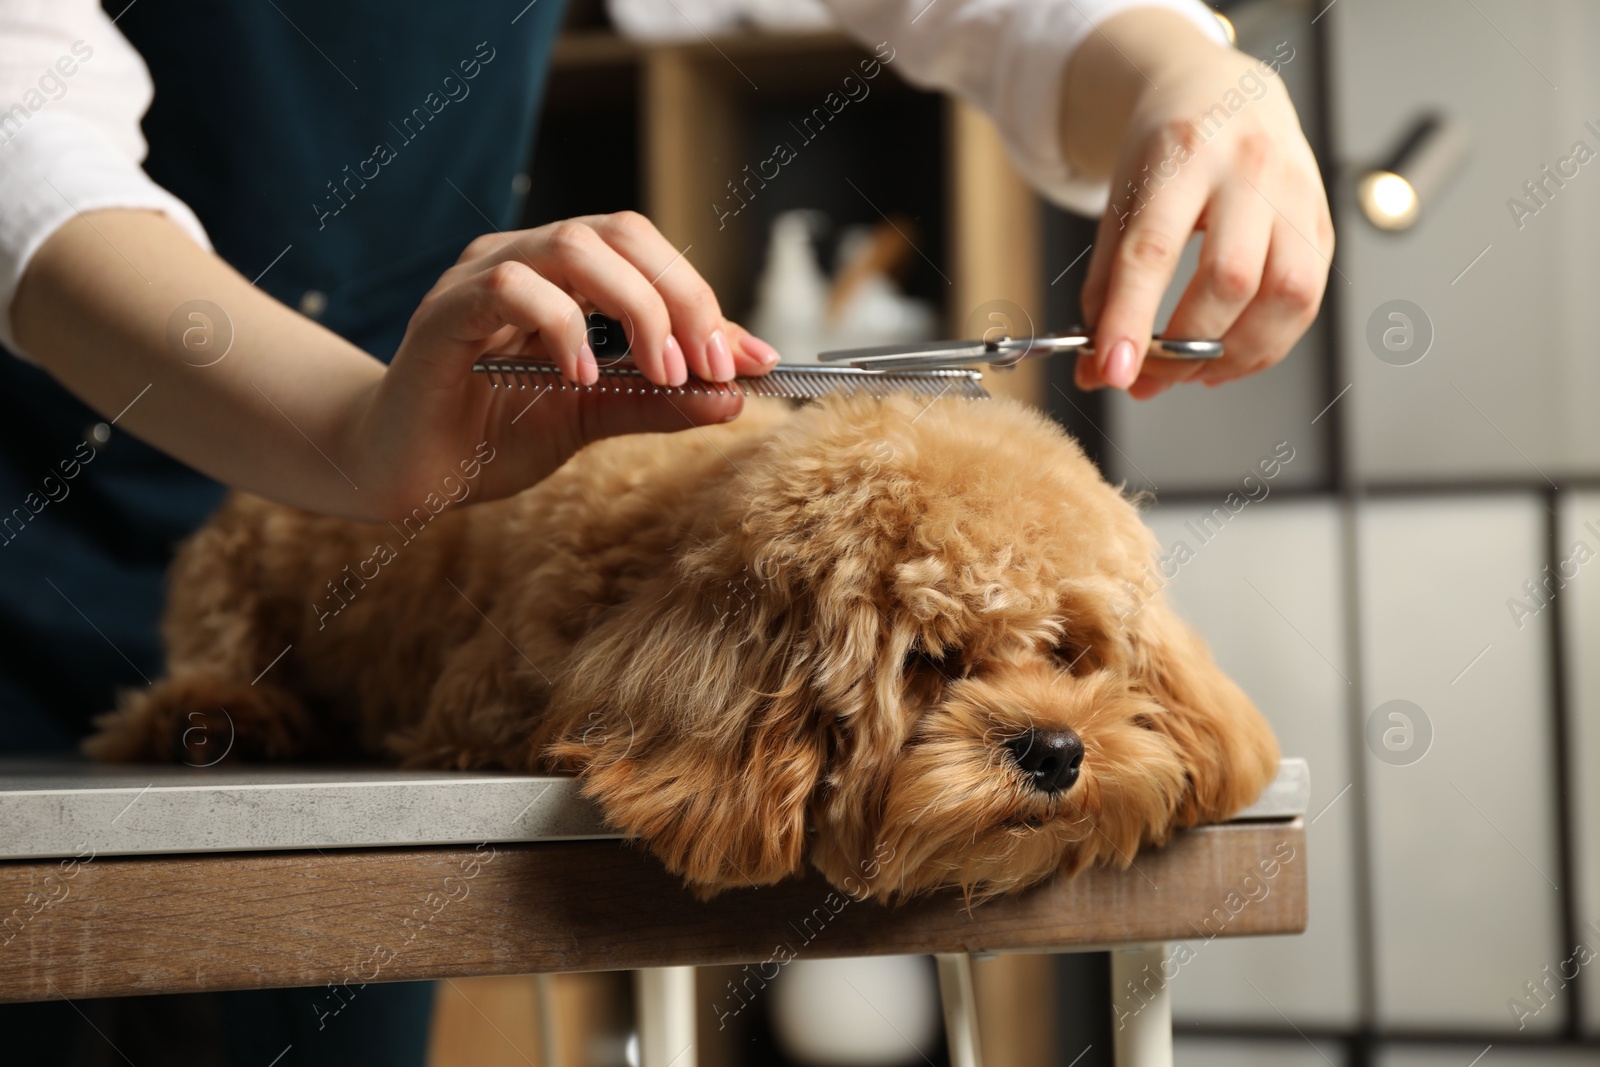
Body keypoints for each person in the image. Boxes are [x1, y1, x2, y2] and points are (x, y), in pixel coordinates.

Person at [0, 0, 1331, 1063]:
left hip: (445, 439)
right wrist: (352, 431)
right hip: (47, 497)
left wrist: (1183, 69)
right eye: (937, 669)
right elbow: (20, 127)